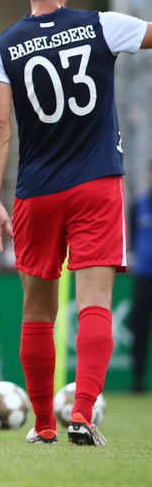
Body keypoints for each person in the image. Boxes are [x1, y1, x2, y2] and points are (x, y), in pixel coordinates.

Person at [0, 0, 152, 446]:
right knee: (95, 301)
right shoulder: (102, 25)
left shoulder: (2, 47)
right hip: (97, 183)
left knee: (37, 309)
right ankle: (82, 414)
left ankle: (42, 425)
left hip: (35, 192)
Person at [129, 163, 152, 394]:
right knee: (140, 327)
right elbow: (133, 238)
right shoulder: (138, 206)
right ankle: (137, 380)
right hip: (144, 276)